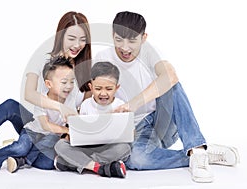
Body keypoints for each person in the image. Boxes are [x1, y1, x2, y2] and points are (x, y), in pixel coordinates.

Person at [94, 11, 240, 183]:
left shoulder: (149, 52)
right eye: (119, 40)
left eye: (132, 41)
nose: (125, 48)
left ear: (143, 37)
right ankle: (196, 155)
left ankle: (196, 146)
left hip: (161, 123)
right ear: (112, 35)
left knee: (171, 84)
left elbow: (170, 76)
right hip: (132, 132)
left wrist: (133, 104)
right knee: (136, 160)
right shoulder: (102, 58)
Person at [0, 11, 92, 176]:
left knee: (46, 164)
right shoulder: (44, 60)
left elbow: (84, 109)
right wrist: (60, 107)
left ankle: (8, 150)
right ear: (60, 36)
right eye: (71, 38)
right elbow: (29, 94)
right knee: (10, 106)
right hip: (37, 123)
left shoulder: (85, 70)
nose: (77, 44)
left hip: (57, 133)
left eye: (82, 39)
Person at [0, 56, 76, 174]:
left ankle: (21, 160)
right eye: (64, 82)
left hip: (49, 140)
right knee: (21, 148)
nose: (69, 86)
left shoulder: (70, 99)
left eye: (72, 81)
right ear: (48, 84)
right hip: (33, 132)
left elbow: (73, 119)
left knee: (49, 161)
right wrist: (66, 130)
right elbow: (45, 125)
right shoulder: (42, 99)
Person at [54, 61, 131, 178]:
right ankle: (100, 168)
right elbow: (80, 132)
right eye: (98, 88)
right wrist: (73, 129)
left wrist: (124, 121)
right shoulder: (85, 105)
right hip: (87, 148)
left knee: (125, 149)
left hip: (108, 149)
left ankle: (72, 163)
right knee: (60, 145)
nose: (103, 93)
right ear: (91, 87)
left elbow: (130, 135)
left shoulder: (121, 105)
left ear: (117, 88)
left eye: (109, 89)